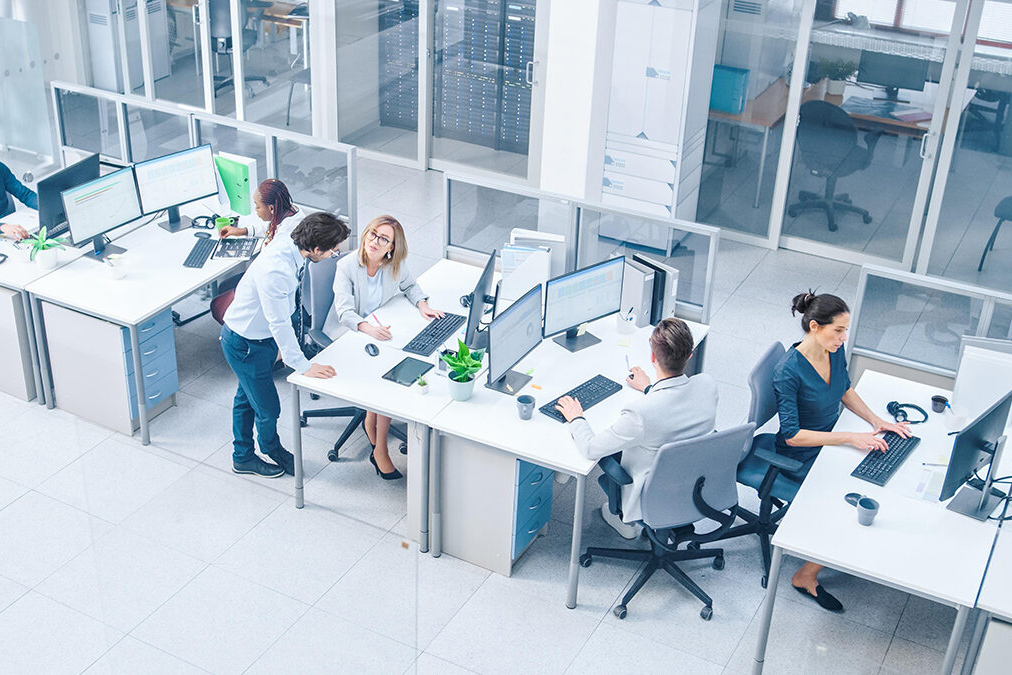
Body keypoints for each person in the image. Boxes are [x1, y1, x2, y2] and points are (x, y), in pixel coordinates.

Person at [774, 291, 911, 612]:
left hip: (831, 439)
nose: (843, 337)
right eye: (838, 330)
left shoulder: (833, 349)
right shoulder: (788, 371)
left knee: (880, 467)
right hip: (801, 453)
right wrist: (850, 437)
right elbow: (792, 435)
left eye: (845, 330)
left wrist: (877, 421)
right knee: (848, 502)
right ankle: (805, 576)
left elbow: (845, 389)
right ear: (814, 327)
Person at [555, 318, 719, 539]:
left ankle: (621, 520)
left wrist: (576, 418)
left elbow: (591, 449)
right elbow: (674, 409)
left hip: (649, 497)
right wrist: (650, 388)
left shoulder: (641, 413)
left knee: (592, 445)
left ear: (653, 357)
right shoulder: (707, 385)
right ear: (689, 356)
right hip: (695, 486)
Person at [221, 212, 350, 478]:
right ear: (314, 248)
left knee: (247, 398)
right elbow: (278, 323)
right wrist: (303, 366)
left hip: (259, 338)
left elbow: (288, 215)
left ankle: (241, 456)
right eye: (331, 251)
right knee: (268, 407)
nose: (332, 255)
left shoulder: (294, 232)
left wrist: (243, 229)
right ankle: (271, 448)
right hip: (246, 343)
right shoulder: (276, 271)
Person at [323, 214, 444, 480]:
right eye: (372, 234)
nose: (375, 242)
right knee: (389, 375)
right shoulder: (347, 266)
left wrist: (423, 305)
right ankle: (379, 451)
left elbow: (411, 285)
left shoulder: (394, 264)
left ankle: (371, 422)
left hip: (381, 326)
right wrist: (368, 329)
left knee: (401, 360)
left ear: (392, 247)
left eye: (383, 239)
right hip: (351, 332)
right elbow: (344, 313)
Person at [218, 178, 300, 246]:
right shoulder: (285, 210)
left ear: (271, 208)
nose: (255, 210)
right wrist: (241, 231)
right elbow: (268, 227)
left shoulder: (286, 234)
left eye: (258, 206)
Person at [0, 160, 38, 240]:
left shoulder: (1, 168)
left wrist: (45, 206)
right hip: (4, 228)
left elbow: (25, 194)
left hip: (9, 227)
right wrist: (2, 227)